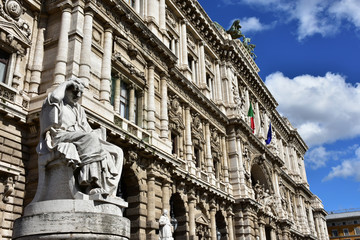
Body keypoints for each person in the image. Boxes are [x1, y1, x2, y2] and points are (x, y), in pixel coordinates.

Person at [36, 78, 123, 197]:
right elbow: (55, 97)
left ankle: (108, 188)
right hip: (60, 136)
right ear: (66, 90)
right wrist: (66, 83)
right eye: (74, 91)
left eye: (80, 93)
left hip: (78, 136)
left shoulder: (78, 109)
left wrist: (99, 133)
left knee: (117, 151)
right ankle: (90, 185)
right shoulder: (57, 102)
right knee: (90, 139)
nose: (78, 95)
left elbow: (87, 129)